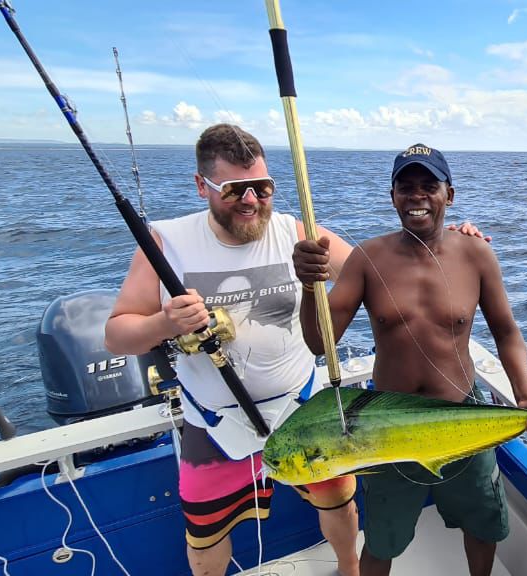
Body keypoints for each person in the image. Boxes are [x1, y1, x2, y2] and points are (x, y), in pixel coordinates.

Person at [104, 125, 487, 576]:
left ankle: (348, 570)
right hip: (211, 421)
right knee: (206, 541)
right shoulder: (165, 242)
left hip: (303, 411)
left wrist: (452, 244)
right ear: (201, 185)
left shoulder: (295, 231)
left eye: (261, 188)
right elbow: (116, 335)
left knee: (340, 508)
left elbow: (381, 268)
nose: (251, 201)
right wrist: (163, 322)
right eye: (234, 190)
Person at [291, 143, 527, 576]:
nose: (417, 196)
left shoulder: (476, 254)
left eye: (428, 186)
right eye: (406, 187)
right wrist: (308, 286)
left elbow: (506, 331)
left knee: (484, 526)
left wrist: (525, 391)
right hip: (387, 427)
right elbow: (318, 343)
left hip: (463, 414)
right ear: (392, 196)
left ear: (448, 195)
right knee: (382, 539)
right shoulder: (367, 258)